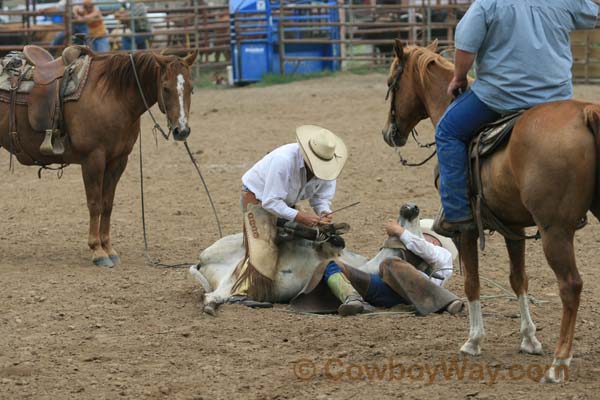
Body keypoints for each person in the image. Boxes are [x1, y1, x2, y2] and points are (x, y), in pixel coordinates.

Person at [432, 0, 599, 237]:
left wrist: (459, 78)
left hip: (500, 96)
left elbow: (467, 48)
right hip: (556, 98)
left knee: (447, 130)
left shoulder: (487, 4)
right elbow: (593, 14)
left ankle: (457, 213)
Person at [231, 125, 372, 313]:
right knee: (264, 247)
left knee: (310, 238)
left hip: (285, 203)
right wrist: (300, 216)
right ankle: (239, 293)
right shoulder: (283, 162)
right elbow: (270, 201)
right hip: (257, 199)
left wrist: (324, 213)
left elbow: (320, 198)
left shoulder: (329, 169)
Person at [292, 205, 463, 316]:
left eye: (426, 235)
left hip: (417, 296)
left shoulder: (442, 254)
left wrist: (400, 232)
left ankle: (446, 302)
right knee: (331, 265)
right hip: (383, 289)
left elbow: (426, 250)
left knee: (389, 263)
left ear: (435, 241)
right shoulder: (408, 245)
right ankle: (352, 299)